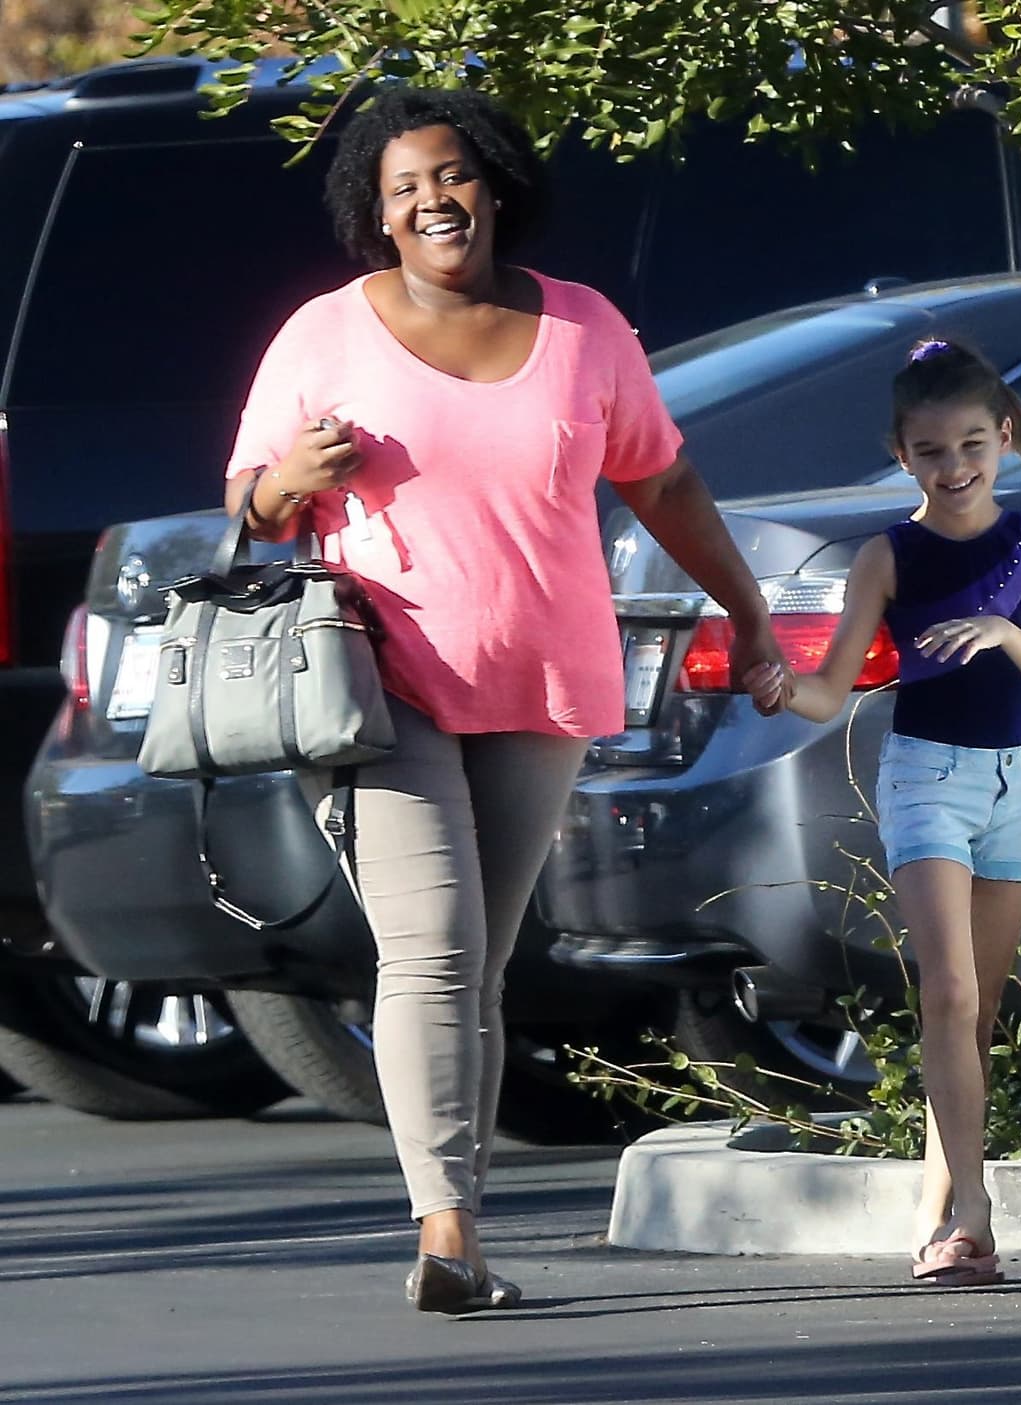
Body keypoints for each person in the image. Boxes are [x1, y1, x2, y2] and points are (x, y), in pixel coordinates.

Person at [224, 84, 789, 1314]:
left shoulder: (586, 330)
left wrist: (745, 612)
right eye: (404, 187)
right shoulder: (325, 333)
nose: (434, 199)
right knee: (430, 951)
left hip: (539, 679)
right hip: (376, 687)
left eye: (452, 175)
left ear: (495, 185)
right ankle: (448, 1234)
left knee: (478, 963)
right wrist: (288, 481)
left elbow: (666, 483)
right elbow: (245, 507)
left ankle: (458, 1228)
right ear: (375, 216)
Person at [745, 338, 1021, 1287]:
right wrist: (783, 687)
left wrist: (1008, 631)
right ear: (903, 456)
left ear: (1004, 437)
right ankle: (974, 1210)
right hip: (926, 777)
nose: (956, 466)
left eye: (973, 444)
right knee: (949, 993)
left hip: (1017, 786)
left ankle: (939, 1211)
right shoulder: (885, 556)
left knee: (972, 1019)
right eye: (932, 451)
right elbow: (830, 688)